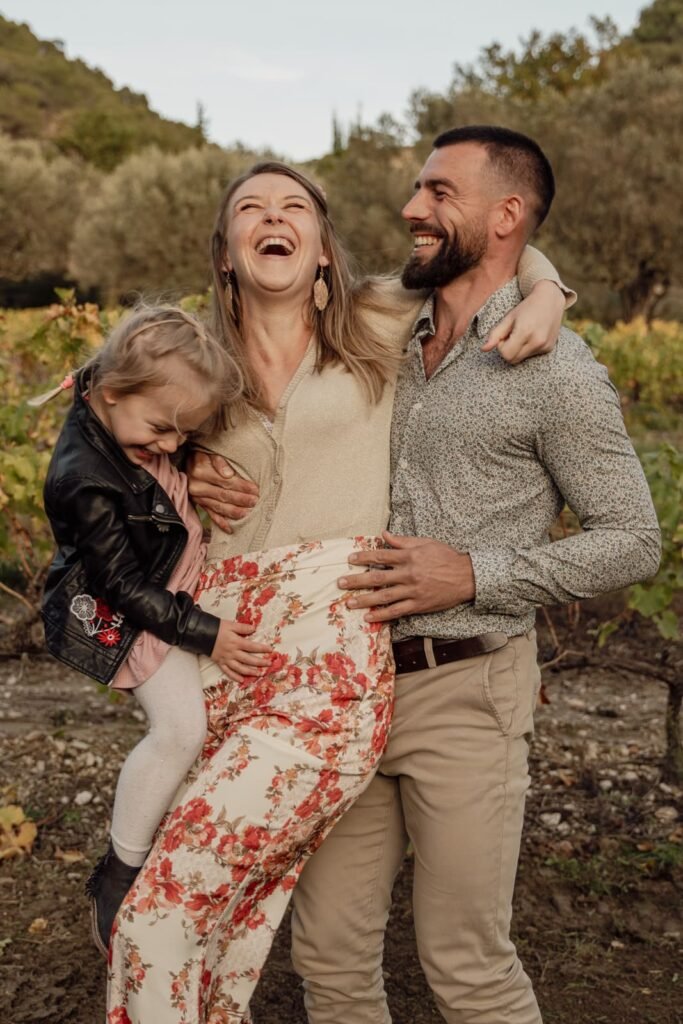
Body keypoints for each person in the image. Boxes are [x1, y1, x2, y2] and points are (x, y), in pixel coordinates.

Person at [106, 161, 572, 1024]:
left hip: (332, 664)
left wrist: (549, 294)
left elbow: (493, 262)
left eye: (295, 209)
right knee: (231, 923)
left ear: (324, 251)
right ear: (224, 252)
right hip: (225, 658)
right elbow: (103, 429)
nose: (272, 218)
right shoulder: (190, 360)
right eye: (251, 208)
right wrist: (179, 463)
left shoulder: (378, 318)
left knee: (174, 908)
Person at [284, 127, 662, 1024]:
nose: (412, 209)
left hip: (467, 689)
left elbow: (632, 539)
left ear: (504, 216)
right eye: (417, 189)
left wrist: (473, 573)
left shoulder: (556, 370)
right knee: (328, 958)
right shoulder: (376, 327)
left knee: (464, 964)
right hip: (346, 687)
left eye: (438, 193)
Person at [39, 305, 271, 956]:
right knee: (180, 730)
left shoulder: (129, 408)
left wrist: (190, 451)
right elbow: (125, 588)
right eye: (162, 431)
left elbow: (168, 427)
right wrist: (205, 633)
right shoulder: (84, 478)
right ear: (111, 395)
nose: (171, 446)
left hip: (171, 582)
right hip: (138, 614)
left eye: (183, 434)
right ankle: (120, 871)